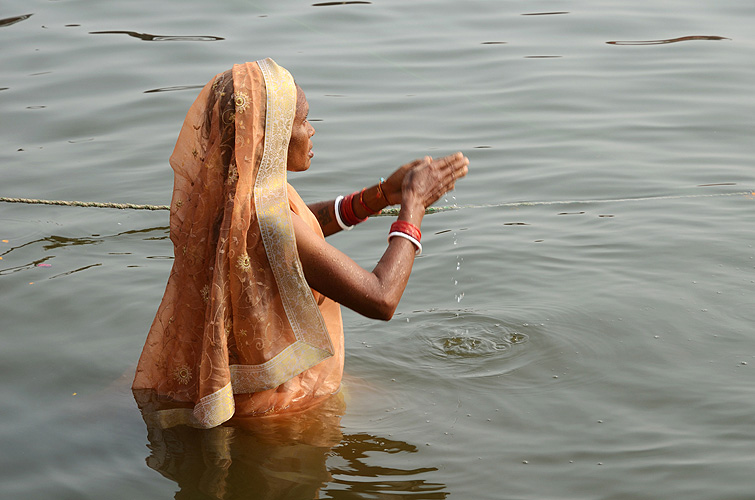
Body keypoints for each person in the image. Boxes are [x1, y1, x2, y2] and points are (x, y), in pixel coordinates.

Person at [132, 58, 468, 429]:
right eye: (302, 122)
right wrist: (413, 207)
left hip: (239, 392)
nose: (311, 131)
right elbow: (381, 299)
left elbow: (300, 228)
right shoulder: (272, 220)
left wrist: (380, 195)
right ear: (270, 135)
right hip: (279, 415)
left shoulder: (233, 198)